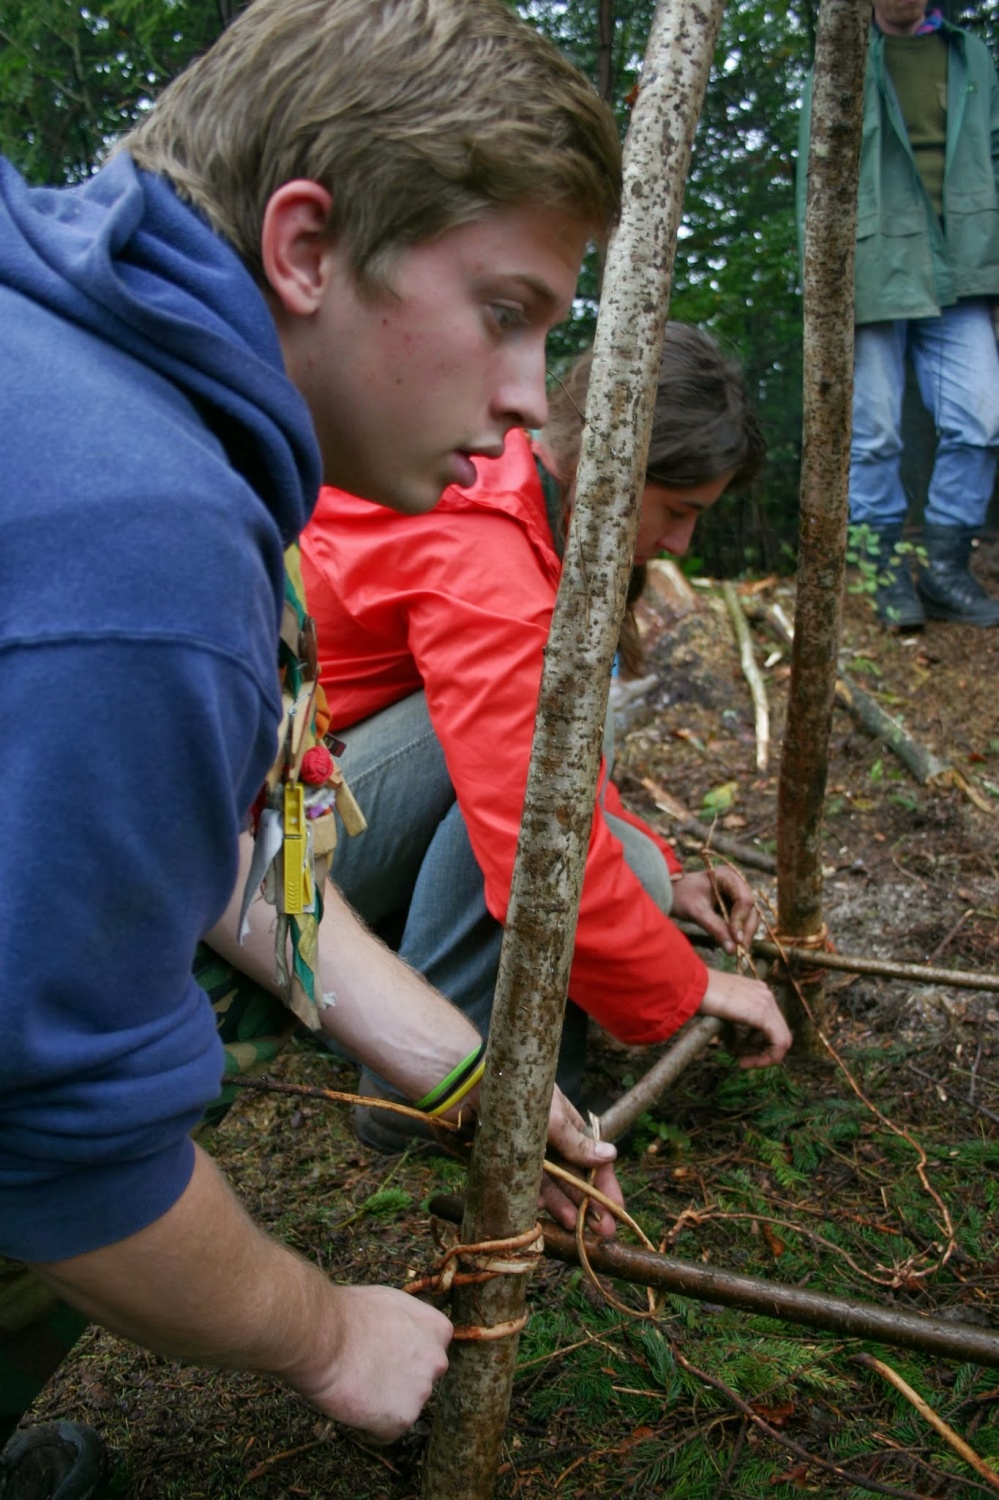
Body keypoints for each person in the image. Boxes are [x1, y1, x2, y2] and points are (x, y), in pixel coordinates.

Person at [0, 0, 626, 1478]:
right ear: (302, 247)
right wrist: (327, 1332)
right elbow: (54, 1134)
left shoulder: (90, 371)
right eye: (505, 310)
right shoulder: (138, 545)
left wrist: (463, 1067)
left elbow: (206, 844)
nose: (530, 398)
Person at [300, 323, 793, 1152]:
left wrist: (662, 872)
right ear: (621, 463)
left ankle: (441, 1018)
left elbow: (542, 765)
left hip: (327, 792)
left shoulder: (522, 487)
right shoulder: (486, 544)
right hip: (251, 844)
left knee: (624, 857)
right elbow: (530, 817)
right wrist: (690, 985)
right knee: (551, 774)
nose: (679, 545)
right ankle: (424, 1096)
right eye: (678, 511)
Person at [797, 0, 999, 629]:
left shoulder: (971, 55)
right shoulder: (842, 59)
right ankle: (885, 576)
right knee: (876, 430)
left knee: (983, 420)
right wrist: (821, 286)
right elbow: (814, 175)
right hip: (874, 267)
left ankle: (943, 571)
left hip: (965, 266)